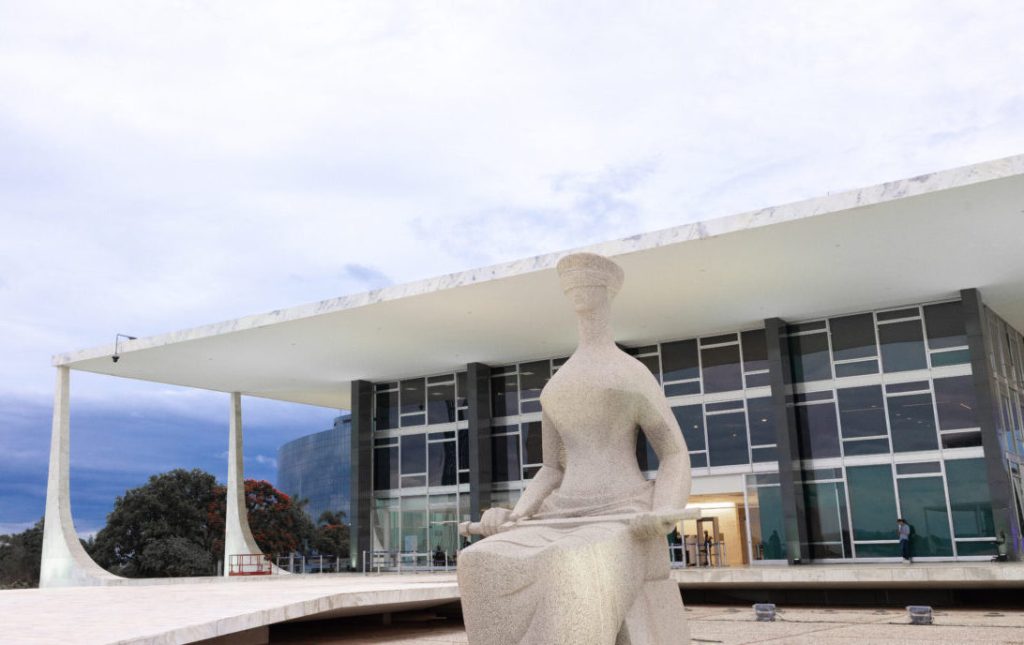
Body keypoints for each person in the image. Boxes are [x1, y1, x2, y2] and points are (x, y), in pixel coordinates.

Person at [457, 252, 692, 645]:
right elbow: (551, 468)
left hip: (622, 510)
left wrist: (662, 512)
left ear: (607, 291)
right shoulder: (557, 386)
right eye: (571, 286)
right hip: (559, 512)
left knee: (567, 563)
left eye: (588, 283)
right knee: (478, 560)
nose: (579, 292)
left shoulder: (631, 373)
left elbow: (674, 452)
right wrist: (516, 514)